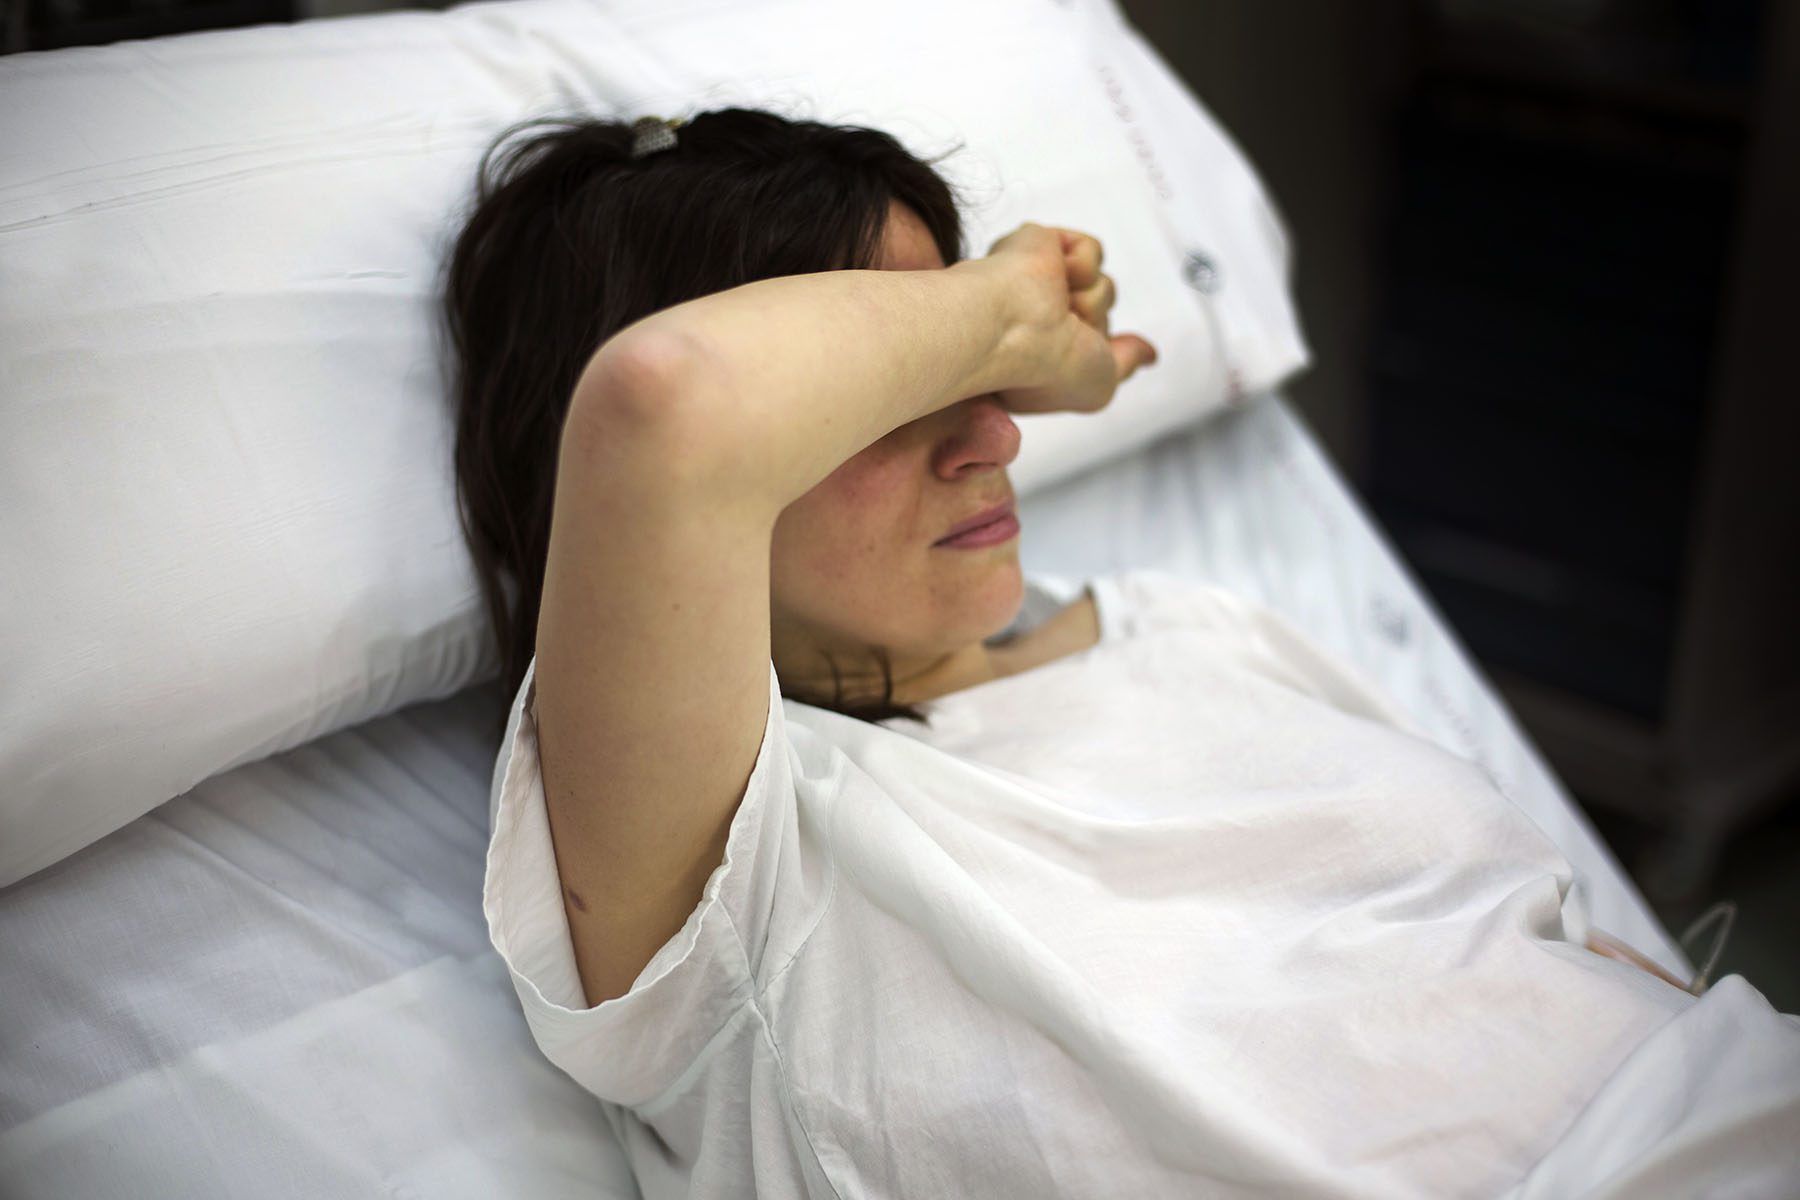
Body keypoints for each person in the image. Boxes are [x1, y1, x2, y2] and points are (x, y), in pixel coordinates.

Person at [442, 108, 1783, 1197]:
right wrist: (1015, 321)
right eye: (894, 382)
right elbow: (665, 403)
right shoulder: (733, 875)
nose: (997, 434)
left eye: (982, 376)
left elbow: (1550, 951)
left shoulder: (1197, 634)